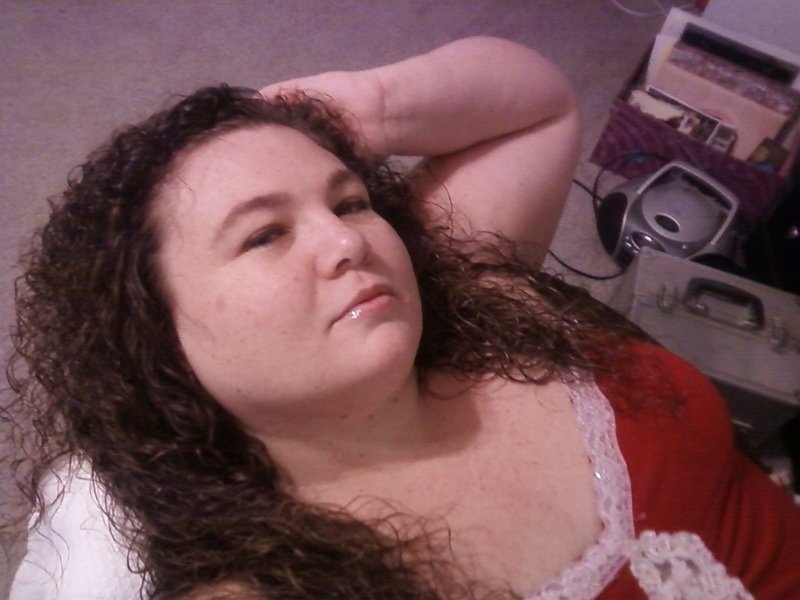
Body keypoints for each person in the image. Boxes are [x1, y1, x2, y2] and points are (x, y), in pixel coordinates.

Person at [4, 37, 799, 600]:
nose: (346, 240)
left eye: (349, 200)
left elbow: (538, 107)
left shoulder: (465, 297)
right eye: (265, 234)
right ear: (154, 337)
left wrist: (338, 114)